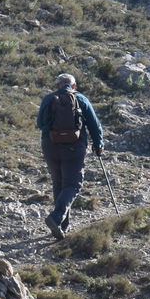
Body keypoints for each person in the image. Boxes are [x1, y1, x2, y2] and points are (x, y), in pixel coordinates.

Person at [36, 73, 103, 239]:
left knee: (58, 183)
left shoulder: (48, 99)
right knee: (73, 184)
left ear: (58, 85)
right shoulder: (81, 99)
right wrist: (98, 145)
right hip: (74, 147)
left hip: (50, 145)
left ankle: (61, 226)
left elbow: (40, 123)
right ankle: (56, 217)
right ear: (73, 86)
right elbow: (94, 124)